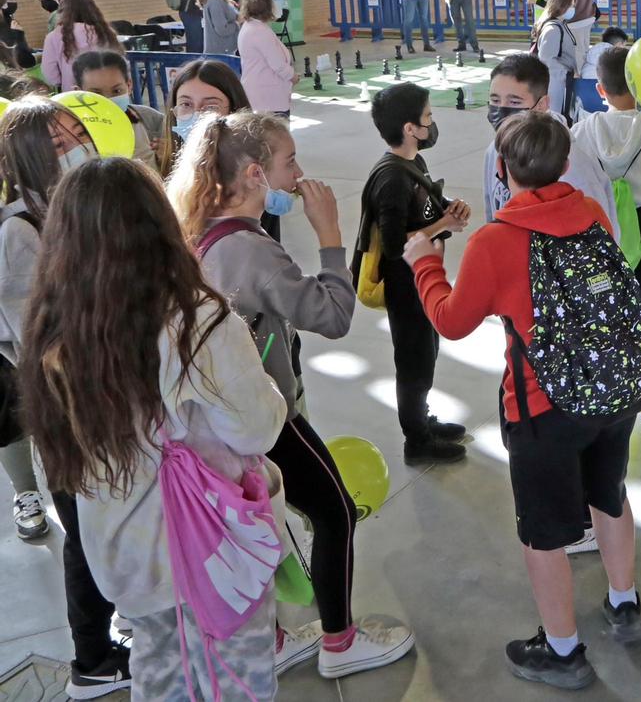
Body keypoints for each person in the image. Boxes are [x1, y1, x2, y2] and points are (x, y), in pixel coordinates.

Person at [20, 156, 285, 701]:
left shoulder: (53, 331)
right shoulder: (194, 322)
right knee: (236, 681)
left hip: (123, 557)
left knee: (161, 673)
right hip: (208, 552)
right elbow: (256, 430)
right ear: (159, 226)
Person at [167, 112, 416, 679]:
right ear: (256, 174)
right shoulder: (251, 252)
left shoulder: (200, 227)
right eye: (289, 161)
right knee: (334, 514)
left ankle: (275, 637)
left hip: (219, 419)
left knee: (266, 520)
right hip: (266, 415)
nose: (298, 173)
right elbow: (331, 316)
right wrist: (330, 234)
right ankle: (340, 642)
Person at [402, 111, 641, 690]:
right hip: (609, 390)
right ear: (565, 164)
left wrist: (425, 263)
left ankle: (562, 651)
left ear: (503, 170)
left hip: (541, 408)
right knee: (609, 496)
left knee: (543, 531)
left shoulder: (496, 240)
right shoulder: (588, 212)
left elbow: (452, 322)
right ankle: (623, 601)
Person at [0, 100, 138, 695]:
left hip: (99, 387)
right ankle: (91, 660)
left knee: (111, 514)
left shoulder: (72, 211)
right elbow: (50, 326)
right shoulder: (20, 231)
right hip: (65, 400)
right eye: (58, 141)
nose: (76, 143)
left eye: (77, 132)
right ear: (30, 157)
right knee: (84, 526)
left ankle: (116, 625)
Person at [358, 83, 471, 464]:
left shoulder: (413, 164)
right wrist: (444, 224)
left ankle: (422, 420)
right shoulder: (391, 178)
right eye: (428, 118)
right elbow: (393, 245)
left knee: (427, 352)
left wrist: (446, 212)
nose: (432, 124)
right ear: (410, 128)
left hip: (422, 278)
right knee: (413, 361)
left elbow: (422, 211)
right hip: (404, 286)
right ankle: (417, 440)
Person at [572, 46, 641, 438]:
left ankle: (609, 400)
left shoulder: (580, 131)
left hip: (601, 235)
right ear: (639, 83)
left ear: (600, 88)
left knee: (606, 320)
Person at [483, 53, 616, 234]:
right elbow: (493, 211)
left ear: (541, 104)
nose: (502, 109)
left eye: (514, 101)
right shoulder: (495, 150)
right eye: (495, 100)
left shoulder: (570, 160)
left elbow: (601, 235)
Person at [157, 59, 254, 180]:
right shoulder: (160, 171)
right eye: (186, 104)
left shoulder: (255, 173)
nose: (197, 115)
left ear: (234, 110)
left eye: (210, 106)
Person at [72, 49, 167, 169]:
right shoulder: (69, 133)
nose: (107, 101)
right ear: (78, 93)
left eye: (116, 91)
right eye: (96, 94)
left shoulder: (151, 120)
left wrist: (165, 158)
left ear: (129, 86)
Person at [42, 0, 122, 92]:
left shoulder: (54, 37)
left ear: (62, 11)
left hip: (73, 95)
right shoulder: (106, 32)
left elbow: (51, 75)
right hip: (108, 93)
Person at [237, 0, 299, 118]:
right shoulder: (259, 31)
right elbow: (277, 64)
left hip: (258, 92)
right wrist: (292, 76)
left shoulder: (250, 26)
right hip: (268, 97)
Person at [535, 0, 580, 122]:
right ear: (561, 5)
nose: (572, 9)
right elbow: (547, 60)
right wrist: (566, 74)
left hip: (561, 79)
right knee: (557, 117)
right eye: (570, 6)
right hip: (557, 81)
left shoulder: (560, 25)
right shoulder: (553, 29)